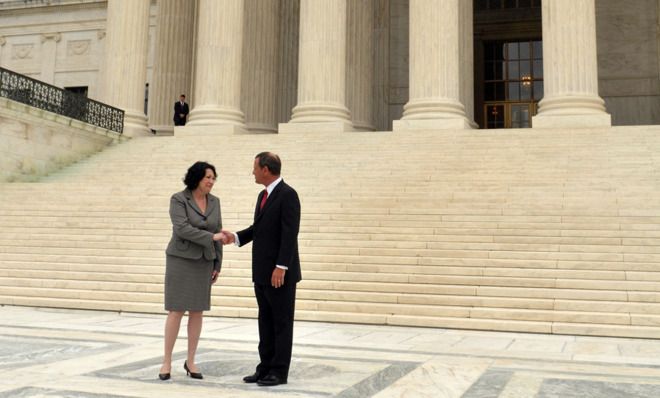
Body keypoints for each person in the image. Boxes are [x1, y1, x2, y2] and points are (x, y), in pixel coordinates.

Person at [221, 152, 301, 387]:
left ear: (266, 169)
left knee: (281, 322)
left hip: (279, 274)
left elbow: (289, 233)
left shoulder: (288, 195)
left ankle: (279, 371)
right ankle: (264, 367)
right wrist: (235, 237)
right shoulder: (263, 195)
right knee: (265, 320)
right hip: (262, 272)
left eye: (255, 168)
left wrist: (281, 266)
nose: (252, 172)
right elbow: (259, 228)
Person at [158, 161, 225, 381]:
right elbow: (182, 228)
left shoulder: (215, 202)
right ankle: (166, 361)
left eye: (214, 178)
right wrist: (211, 237)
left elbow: (218, 230)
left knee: (197, 311)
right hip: (181, 259)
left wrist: (217, 264)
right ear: (196, 177)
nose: (211, 182)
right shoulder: (179, 199)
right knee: (176, 310)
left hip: (204, 261)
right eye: (208, 177)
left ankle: (191, 360)